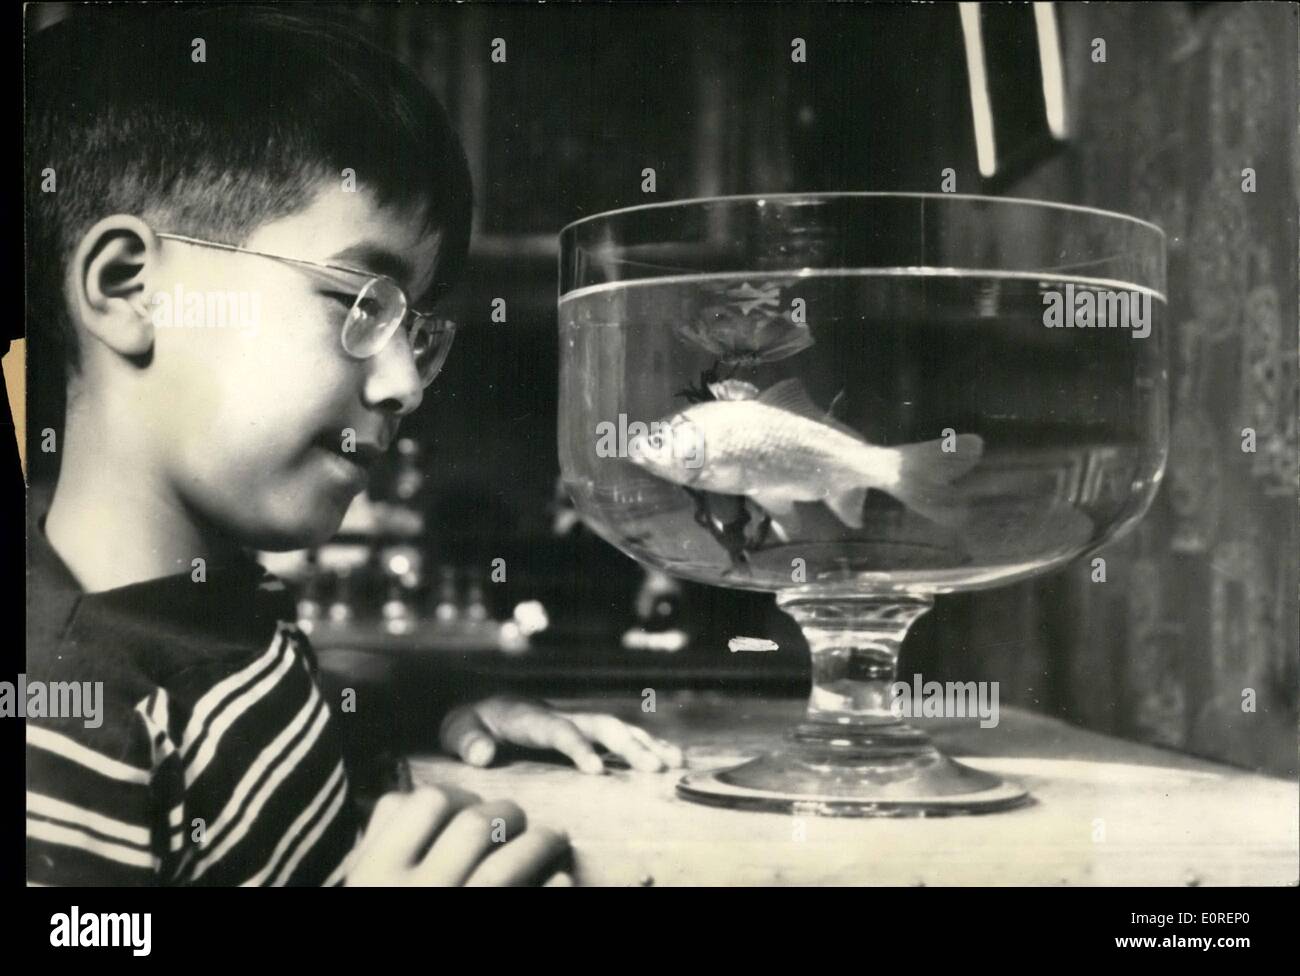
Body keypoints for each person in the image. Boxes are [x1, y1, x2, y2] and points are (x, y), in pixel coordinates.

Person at [24, 4, 682, 887]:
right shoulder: (67, 726)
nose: (405, 385)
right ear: (129, 289)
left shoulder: (213, 611)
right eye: (360, 301)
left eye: (417, 332)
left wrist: (443, 707)